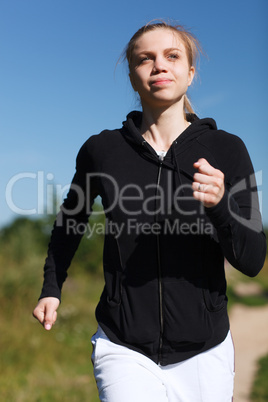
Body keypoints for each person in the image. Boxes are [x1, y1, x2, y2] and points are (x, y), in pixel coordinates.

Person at [33, 21, 266, 401]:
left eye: (172, 56)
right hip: (123, 345)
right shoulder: (102, 150)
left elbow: (253, 260)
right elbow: (70, 223)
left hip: (205, 349)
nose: (159, 66)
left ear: (190, 73)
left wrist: (220, 204)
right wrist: (52, 288)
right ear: (132, 75)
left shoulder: (227, 149)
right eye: (146, 59)